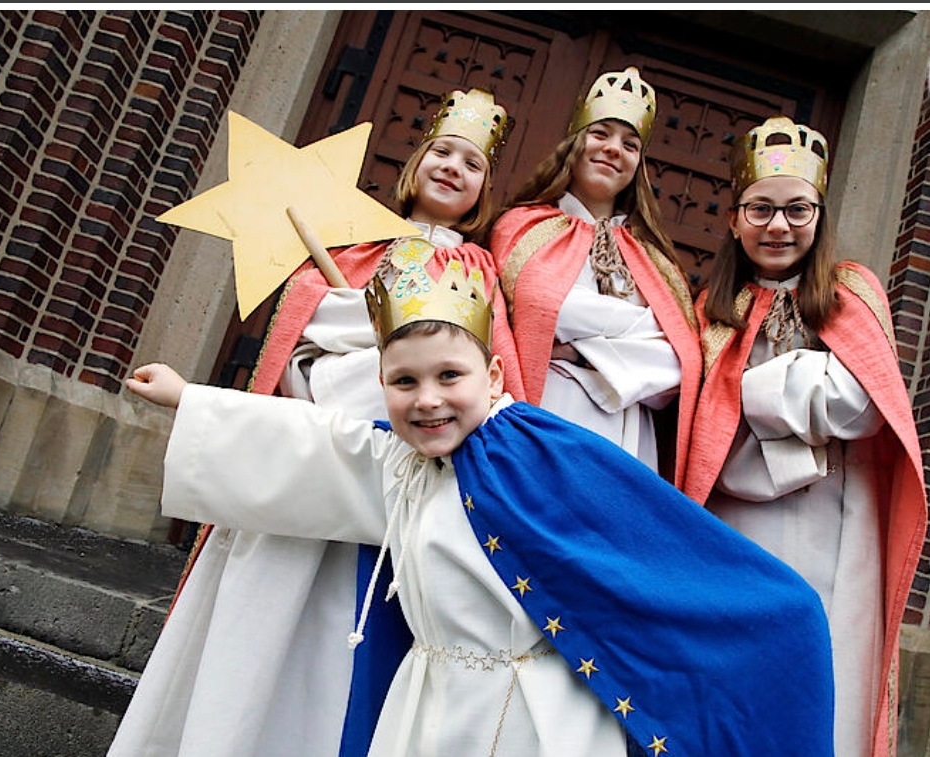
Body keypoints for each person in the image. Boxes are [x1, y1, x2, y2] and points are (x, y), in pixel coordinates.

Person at [120, 256, 836, 757]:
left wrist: (782, 614)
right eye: (404, 382)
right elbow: (320, 442)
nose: (427, 399)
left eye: (449, 376)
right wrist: (189, 398)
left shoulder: (540, 451)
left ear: (493, 375)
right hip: (426, 705)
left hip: (534, 717)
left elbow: (657, 542)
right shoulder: (401, 463)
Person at [108, 89, 524, 757]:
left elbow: (477, 374)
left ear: (484, 189)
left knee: (338, 663)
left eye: (472, 163)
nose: (453, 167)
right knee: (257, 631)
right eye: (442, 152)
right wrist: (360, 345)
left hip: (393, 486)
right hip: (306, 465)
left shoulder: (479, 272)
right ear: (415, 163)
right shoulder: (353, 246)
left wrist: (390, 359)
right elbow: (303, 349)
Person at [684, 115, 927, 757]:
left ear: (818, 217)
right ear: (734, 219)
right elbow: (706, 430)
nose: (779, 226)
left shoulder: (852, 293)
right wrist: (802, 392)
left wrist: (753, 390)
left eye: (797, 210)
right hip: (737, 524)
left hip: (837, 524)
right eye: (761, 209)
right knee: (742, 674)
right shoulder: (712, 309)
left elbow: (862, 405)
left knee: (828, 674)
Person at [490, 66, 700, 487]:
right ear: (575, 143)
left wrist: (577, 353)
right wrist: (634, 332)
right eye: (600, 133)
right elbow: (542, 306)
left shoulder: (653, 259)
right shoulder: (522, 226)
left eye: (630, 144)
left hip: (627, 436)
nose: (613, 149)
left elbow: (680, 360)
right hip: (548, 412)